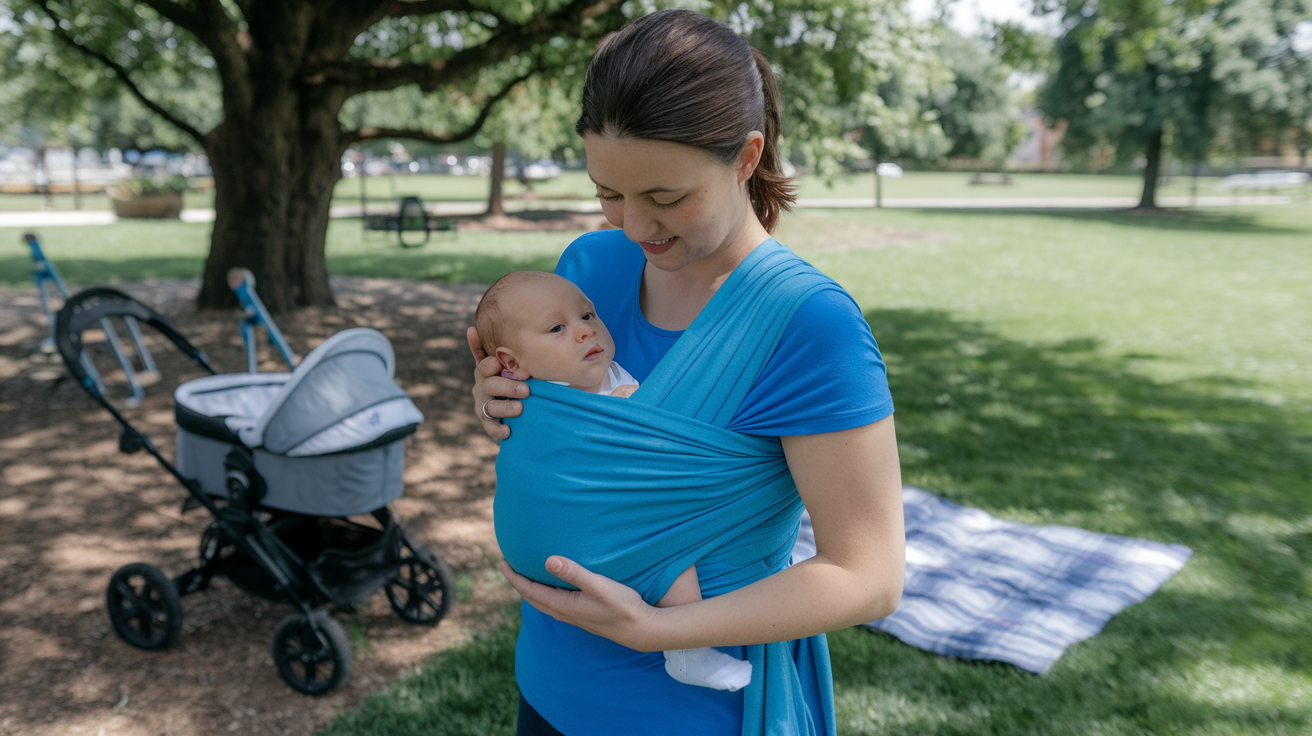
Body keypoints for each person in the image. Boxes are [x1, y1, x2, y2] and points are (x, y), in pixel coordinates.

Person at [467, 9, 905, 735]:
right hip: (550, 682)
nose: (636, 227)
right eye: (609, 193)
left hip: (693, 708)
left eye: (665, 197)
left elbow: (869, 577)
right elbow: (577, 461)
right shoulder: (584, 273)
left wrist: (658, 630)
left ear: (745, 157)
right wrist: (506, 405)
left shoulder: (807, 326)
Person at [473, 269, 753, 691]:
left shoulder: (615, 378)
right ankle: (687, 652)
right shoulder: (527, 393)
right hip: (559, 532)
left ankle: (686, 651)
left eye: (587, 315)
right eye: (557, 328)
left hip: (557, 542)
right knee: (672, 550)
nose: (586, 331)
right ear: (511, 363)